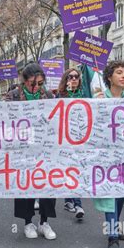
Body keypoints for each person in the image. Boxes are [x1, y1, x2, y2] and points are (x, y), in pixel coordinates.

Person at [4, 63, 57, 240]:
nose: (36, 87)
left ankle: (44, 222)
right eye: (33, 83)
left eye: (40, 83)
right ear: (24, 81)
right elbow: (5, 119)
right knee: (25, 185)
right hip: (22, 149)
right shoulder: (12, 96)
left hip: (44, 148)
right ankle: (27, 222)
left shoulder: (48, 95)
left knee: (47, 183)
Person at [94, 60, 124, 248]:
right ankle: (112, 237)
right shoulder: (99, 98)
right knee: (110, 193)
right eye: (119, 72)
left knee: (120, 193)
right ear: (109, 76)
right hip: (106, 155)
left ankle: (115, 225)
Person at [56, 68, 86, 220]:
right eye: (70, 77)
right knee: (69, 170)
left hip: (80, 140)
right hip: (64, 141)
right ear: (65, 79)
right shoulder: (59, 96)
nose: (74, 79)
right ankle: (76, 203)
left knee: (75, 171)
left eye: (76, 76)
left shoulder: (85, 95)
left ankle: (72, 201)